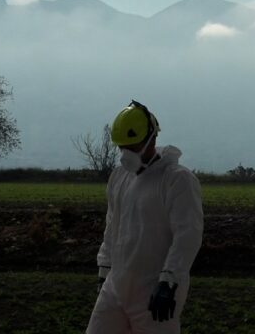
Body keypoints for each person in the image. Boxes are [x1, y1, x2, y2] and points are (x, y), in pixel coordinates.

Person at [86, 100, 204, 334]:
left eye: (133, 145)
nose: (126, 153)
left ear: (152, 138)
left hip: (155, 290)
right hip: (115, 287)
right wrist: (104, 270)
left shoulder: (176, 180)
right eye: (122, 147)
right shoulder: (119, 177)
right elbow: (112, 227)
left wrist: (169, 281)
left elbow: (187, 235)